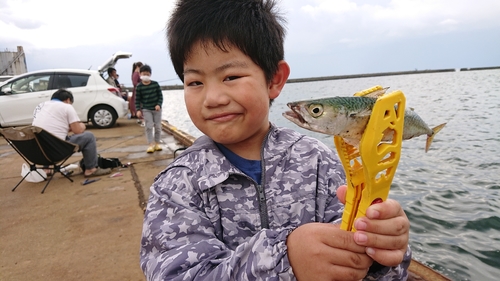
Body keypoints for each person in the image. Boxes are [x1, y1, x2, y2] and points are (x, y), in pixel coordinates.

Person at [140, 0, 412, 280]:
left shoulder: (319, 162)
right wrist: (284, 261)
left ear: (274, 80)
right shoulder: (177, 185)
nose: (213, 99)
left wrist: (382, 252)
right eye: (195, 82)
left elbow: (367, 260)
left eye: (230, 76)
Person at [32, 89, 111, 177]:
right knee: (89, 136)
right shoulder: (66, 106)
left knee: (46, 137)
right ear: (68, 100)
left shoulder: (40, 106)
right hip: (56, 151)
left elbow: (49, 127)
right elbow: (78, 131)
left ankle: (46, 169)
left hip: (38, 153)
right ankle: (91, 169)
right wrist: (82, 125)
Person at [135, 64, 163, 153]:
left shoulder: (155, 84)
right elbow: (137, 99)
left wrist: (159, 104)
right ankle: (150, 144)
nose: (145, 76)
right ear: (140, 74)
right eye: (144, 74)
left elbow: (160, 96)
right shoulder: (139, 87)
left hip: (157, 109)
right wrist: (138, 110)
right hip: (146, 109)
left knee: (158, 126)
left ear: (150, 74)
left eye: (147, 74)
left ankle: (157, 143)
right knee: (149, 126)